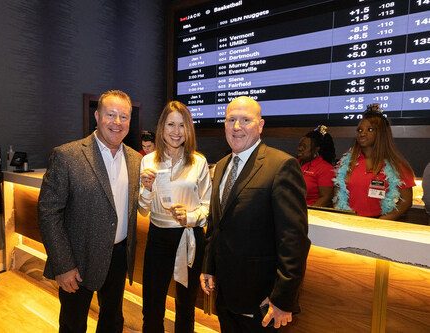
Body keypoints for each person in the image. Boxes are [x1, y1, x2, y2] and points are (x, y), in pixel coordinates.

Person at [200, 96, 310, 332]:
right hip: (226, 296)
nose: (237, 127)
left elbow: (294, 241)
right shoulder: (220, 166)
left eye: (245, 120)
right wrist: (209, 265)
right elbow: (216, 223)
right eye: (231, 120)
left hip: (262, 301)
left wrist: (283, 299)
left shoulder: (281, 166)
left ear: (260, 125)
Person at [37, 90, 143, 333]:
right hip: (77, 259)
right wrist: (62, 265)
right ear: (97, 116)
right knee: (73, 324)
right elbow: (48, 213)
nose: (117, 122)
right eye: (111, 115)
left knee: (113, 320)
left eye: (124, 117)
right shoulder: (67, 155)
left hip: (118, 257)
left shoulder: (137, 160)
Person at [138, 101, 211, 332]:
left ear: (188, 129)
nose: (176, 132)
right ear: (162, 127)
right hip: (158, 237)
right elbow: (142, 210)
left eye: (182, 125)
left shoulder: (199, 162)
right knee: (152, 305)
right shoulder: (148, 160)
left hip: (190, 238)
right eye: (171, 124)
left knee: (186, 306)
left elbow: (207, 208)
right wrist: (147, 188)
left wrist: (189, 216)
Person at [333, 104, 415, 220]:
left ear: (381, 133)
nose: (362, 133)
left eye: (369, 129)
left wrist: (384, 220)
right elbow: (337, 191)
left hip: (378, 225)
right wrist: (340, 213)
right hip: (348, 223)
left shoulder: (396, 165)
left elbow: (406, 201)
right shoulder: (346, 162)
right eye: (359, 130)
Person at [297, 125, 336, 207]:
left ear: (316, 149)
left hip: (309, 214)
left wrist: (308, 214)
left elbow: (326, 197)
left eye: (304, 146)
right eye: (300, 145)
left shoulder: (325, 169)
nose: (300, 149)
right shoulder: (293, 163)